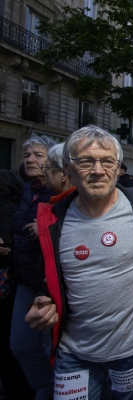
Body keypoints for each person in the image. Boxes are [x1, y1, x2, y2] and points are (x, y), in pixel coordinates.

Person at [24, 125, 133, 400]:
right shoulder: (52, 218)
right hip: (72, 354)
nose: (98, 170)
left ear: (117, 167)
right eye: (86, 161)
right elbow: (48, 278)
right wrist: (43, 304)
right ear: (67, 168)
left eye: (107, 161)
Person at [10, 135, 56, 400]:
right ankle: (47, 388)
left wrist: (47, 229)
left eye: (38, 155)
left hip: (50, 281)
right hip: (25, 279)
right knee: (22, 345)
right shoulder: (28, 190)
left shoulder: (59, 191)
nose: (30, 159)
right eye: (27, 155)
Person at [0, 170, 35, 400]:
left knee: (14, 342)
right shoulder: (23, 204)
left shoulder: (12, 209)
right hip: (18, 278)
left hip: (16, 279)